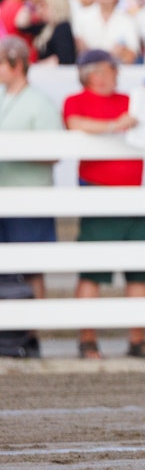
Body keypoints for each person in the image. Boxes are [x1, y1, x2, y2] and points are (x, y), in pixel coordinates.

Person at [63, 49, 145, 360]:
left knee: (139, 274)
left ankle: (137, 339)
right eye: (110, 69)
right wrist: (115, 126)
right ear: (94, 73)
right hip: (99, 195)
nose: (115, 74)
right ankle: (88, 340)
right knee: (93, 273)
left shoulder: (126, 100)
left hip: (133, 197)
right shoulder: (76, 100)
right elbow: (75, 122)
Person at [0, 36, 60, 304]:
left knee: (31, 269)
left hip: (29, 198)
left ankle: (32, 334)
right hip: (5, 197)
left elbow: (54, 153)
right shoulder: (2, 97)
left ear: (18, 65)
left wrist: (16, 153)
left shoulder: (40, 102)